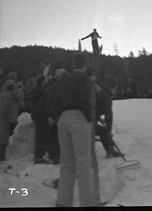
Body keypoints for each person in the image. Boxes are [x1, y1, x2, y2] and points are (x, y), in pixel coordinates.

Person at [53, 52, 103, 207]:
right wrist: (89, 119)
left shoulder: (65, 80)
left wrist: (58, 118)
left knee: (67, 164)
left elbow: (56, 102)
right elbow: (87, 100)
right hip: (78, 118)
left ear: (73, 64)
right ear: (85, 65)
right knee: (84, 162)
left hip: (63, 120)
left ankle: (63, 202)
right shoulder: (85, 79)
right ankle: (88, 203)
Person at [95, 76, 124, 158]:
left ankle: (110, 150)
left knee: (102, 130)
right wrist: (108, 131)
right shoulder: (107, 97)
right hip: (88, 123)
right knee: (104, 131)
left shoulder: (99, 93)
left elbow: (94, 108)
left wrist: (99, 119)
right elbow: (108, 115)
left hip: (84, 120)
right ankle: (110, 151)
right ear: (115, 87)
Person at [0, 79, 14, 162]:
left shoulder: (2, 94)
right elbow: (5, 109)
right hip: (2, 120)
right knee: (2, 139)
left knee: (0, 139)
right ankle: (0, 158)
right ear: (11, 87)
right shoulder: (8, 95)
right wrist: (8, 119)